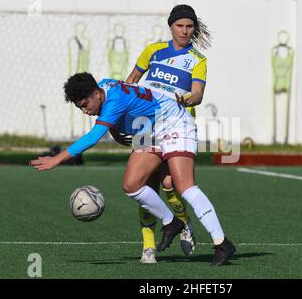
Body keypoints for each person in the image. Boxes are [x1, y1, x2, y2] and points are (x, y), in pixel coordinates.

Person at [29, 72, 236, 266]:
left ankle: (221, 243)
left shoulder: (113, 100)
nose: (85, 111)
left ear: (96, 94)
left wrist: (56, 159)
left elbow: (93, 137)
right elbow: (128, 106)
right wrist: (117, 127)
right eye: (80, 108)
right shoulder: (103, 86)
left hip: (174, 122)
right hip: (150, 129)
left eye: (85, 105)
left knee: (185, 186)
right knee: (131, 185)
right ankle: (171, 222)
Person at [126, 4, 211, 263]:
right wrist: (125, 111)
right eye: (179, 26)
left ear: (194, 29)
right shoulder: (153, 51)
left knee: (170, 184)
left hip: (177, 126)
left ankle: (183, 223)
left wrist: (186, 99)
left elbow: (197, 93)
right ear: (171, 26)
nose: (184, 31)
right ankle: (148, 247)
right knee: (144, 185)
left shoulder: (198, 60)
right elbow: (131, 82)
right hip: (147, 124)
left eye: (189, 26)